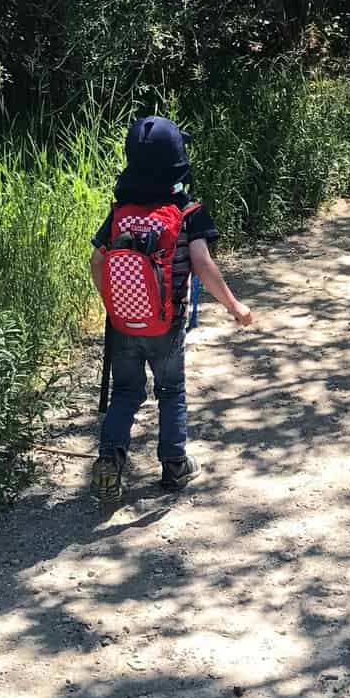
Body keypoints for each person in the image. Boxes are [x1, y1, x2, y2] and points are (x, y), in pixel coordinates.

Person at [89, 115, 253, 505]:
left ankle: (110, 460)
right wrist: (233, 305)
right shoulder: (187, 211)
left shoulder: (120, 213)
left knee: (126, 392)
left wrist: (113, 303)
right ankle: (174, 465)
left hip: (122, 323)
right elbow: (203, 264)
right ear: (178, 160)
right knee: (171, 391)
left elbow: (98, 261)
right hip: (165, 324)